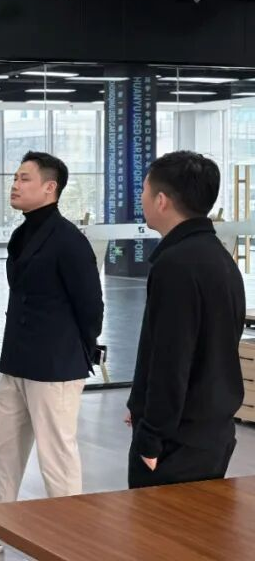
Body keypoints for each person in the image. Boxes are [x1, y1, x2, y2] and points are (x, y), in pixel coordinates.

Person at [0, 152, 103, 553]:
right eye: (15, 177)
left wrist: (78, 352)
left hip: (56, 364)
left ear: (50, 188)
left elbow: (91, 307)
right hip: (17, 359)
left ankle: (70, 540)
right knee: (1, 448)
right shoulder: (22, 234)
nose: (15, 184)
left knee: (56, 455)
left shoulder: (69, 240)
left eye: (24, 178)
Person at [127, 151, 245, 489]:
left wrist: (151, 436)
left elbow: (172, 358)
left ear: (161, 200)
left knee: (156, 523)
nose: (142, 198)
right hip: (212, 431)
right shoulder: (220, 257)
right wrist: (140, 404)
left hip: (176, 443)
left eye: (145, 190)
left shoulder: (176, 265)